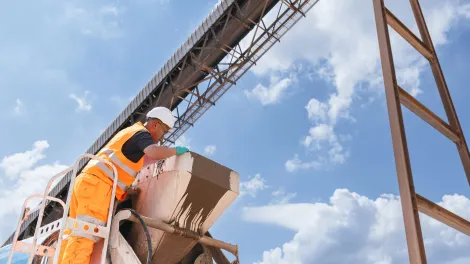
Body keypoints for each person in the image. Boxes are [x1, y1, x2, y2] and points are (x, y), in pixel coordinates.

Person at [58, 106, 189, 264]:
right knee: (85, 235)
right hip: (98, 186)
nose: (162, 137)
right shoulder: (142, 134)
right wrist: (175, 151)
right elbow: (153, 152)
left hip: (87, 183)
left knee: (71, 234)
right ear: (155, 124)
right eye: (164, 131)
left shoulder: (130, 132)